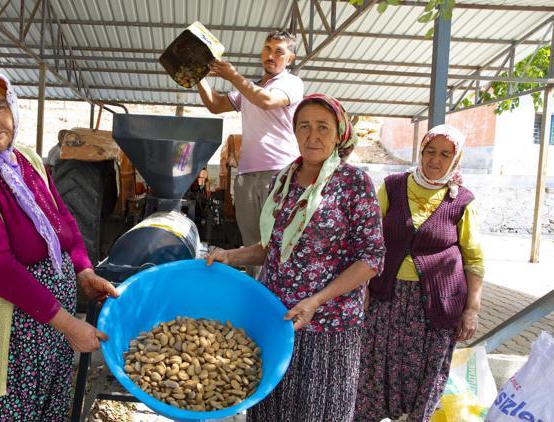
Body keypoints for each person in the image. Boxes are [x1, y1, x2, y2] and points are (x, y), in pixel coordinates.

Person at [0, 68, 118, 420]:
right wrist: (68, 324)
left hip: (46, 335)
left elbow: (64, 221)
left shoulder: (27, 160)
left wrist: (83, 271)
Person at [206, 93, 385, 420]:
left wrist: (316, 301)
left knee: (319, 412)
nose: (312, 136)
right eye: (304, 126)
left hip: (329, 326)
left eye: (322, 127)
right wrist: (230, 256)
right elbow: (271, 247)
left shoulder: (353, 183)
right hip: (276, 318)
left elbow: (371, 259)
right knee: (271, 409)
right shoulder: (282, 180)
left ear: (339, 133)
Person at [355, 124, 484, 422]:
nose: (435, 160)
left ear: (456, 158)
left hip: (437, 304)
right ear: (421, 151)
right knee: (374, 369)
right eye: (430, 151)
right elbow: (367, 238)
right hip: (387, 296)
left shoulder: (462, 201)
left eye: (444, 154)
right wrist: (363, 286)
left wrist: (472, 309)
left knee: (426, 374)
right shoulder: (393, 186)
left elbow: (474, 259)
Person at [197, 30, 304, 256]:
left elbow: (266, 101)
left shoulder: (292, 83)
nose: (271, 55)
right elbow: (215, 105)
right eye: (267, 48)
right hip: (246, 175)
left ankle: (275, 291)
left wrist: (234, 76)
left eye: (279, 51)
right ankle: (255, 290)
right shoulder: (249, 88)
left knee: (276, 242)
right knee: (251, 245)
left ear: (290, 59)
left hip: (279, 173)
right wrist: (197, 75)